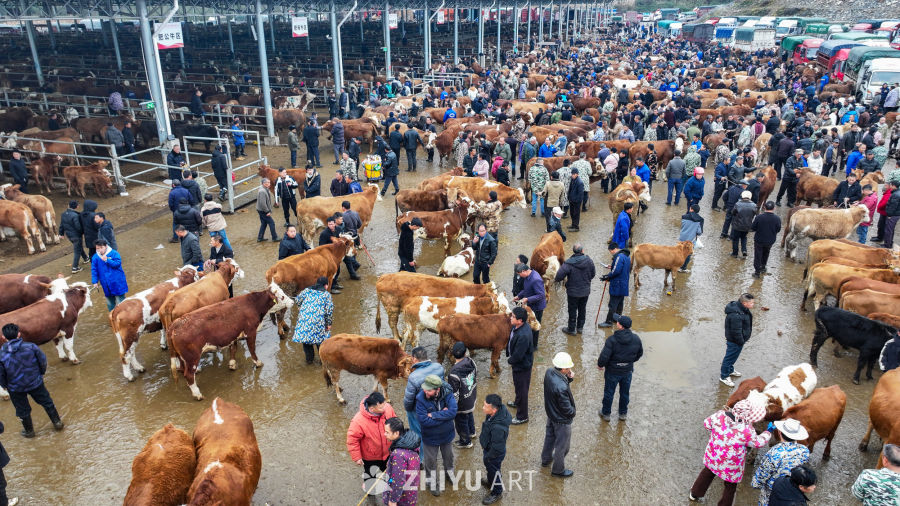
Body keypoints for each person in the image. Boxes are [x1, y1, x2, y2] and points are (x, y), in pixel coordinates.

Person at [689, 399, 772, 504]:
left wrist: (717, 434)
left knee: (707, 473)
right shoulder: (747, 430)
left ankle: (694, 493)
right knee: (730, 487)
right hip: (731, 465)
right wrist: (768, 432)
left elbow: (706, 424)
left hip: (713, 456)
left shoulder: (719, 415)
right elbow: (758, 443)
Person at [0, 323, 65, 438]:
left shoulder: (1, 354)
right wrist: (40, 374)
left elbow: (1, 373)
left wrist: (5, 385)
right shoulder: (31, 347)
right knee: (47, 402)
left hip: (15, 388)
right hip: (35, 382)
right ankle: (57, 423)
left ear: (3, 337)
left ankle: (29, 431)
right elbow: (43, 361)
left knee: (22, 410)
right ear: (19, 334)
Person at [347, 391, 396, 505]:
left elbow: (395, 422)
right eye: (381, 406)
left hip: (388, 451)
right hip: (370, 456)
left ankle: (390, 487)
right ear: (372, 408)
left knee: (390, 471)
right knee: (370, 474)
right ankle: (370, 491)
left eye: (384, 404)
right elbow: (352, 440)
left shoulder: (387, 408)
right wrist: (357, 457)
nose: (385, 407)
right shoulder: (358, 421)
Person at [751, 418, 811, 506]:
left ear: (779, 433)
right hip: (792, 491)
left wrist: (755, 483)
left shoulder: (774, 452)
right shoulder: (804, 450)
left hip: (772, 492)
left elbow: (763, 474)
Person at [416, 374, 458, 497]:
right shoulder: (420, 398)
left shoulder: (448, 393)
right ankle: (432, 482)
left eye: (429, 390)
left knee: (449, 457)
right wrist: (444, 415)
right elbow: (424, 421)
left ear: (438, 389)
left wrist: (434, 415)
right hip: (430, 437)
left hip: (447, 435)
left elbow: (453, 412)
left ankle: (449, 475)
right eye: (425, 389)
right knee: (430, 462)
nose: (426, 392)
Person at [597, 314, 643, 421]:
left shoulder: (612, 340)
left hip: (612, 372)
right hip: (627, 371)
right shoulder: (636, 339)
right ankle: (623, 414)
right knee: (625, 393)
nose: (616, 322)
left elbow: (604, 356)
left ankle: (606, 413)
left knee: (609, 392)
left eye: (618, 321)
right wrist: (629, 362)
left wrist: (600, 365)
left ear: (620, 326)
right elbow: (639, 354)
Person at [541, 351, 576, 478]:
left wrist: (569, 378)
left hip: (551, 414)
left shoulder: (549, 372)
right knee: (563, 446)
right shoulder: (561, 387)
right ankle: (558, 470)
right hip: (561, 420)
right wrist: (572, 413)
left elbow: (556, 389)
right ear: (563, 369)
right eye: (568, 368)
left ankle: (546, 459)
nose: (570, 369)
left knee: (549, 438)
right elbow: (567, 409)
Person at [402, 347, 445, 448]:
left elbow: (408, 400)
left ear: (414, 359)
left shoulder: (414, 376)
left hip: (420, 408)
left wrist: (409, 410)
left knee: (418, 430)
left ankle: (421, 457)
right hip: (436, 403)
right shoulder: (439, 367)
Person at [554, 243, 595, 335]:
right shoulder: (589, 260)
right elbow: (593, 274)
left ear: (573, 251)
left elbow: (559, 277)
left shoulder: (568, 263)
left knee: (572, 310)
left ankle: (571, 329)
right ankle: (580, 328)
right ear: (582, 251)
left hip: (573, 292)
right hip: (585, 291)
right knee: (582, 309)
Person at [292, 276, 333, 364]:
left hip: (304, 321)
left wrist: (302, 308)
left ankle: (309, 361)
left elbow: (297, 301)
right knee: (320, 342)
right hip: (317, 323)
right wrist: (328, 324)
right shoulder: (326, 295)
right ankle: (322, 362)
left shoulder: (306, 291)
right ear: (326, 286)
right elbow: (328, 311)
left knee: (306, 341)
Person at [479, 393, 511, 505]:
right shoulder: (495, 413)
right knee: (491, 470)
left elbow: (497, 448)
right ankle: (490, 481)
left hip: (494, 454)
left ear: (494, 409)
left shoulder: (498, 428)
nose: (483, 408)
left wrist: (488, 457)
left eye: (485, 406)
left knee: (494, 470)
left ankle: (497, 491)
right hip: (490, 449)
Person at [505, 306, 534, 425]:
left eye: (513, 317)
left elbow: (518, 355)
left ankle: (522, 416)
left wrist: (510, 360)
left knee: (522, 390)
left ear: (520, 320)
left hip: (522, 366)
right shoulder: (517, 326)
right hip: (518, 365)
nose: (510, 318)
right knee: (518, 386)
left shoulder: (523, 335)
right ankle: (517, 402)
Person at [382, 417, 420, 506]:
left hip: (403, 496)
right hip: (411, 487)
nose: (384, 434)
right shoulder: (411, 442)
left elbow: (398, 480)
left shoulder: (398, 454)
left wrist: (393, 500)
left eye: (387, 432)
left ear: (396, 433)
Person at [720, 293, 755, 387]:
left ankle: (730, 370)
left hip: (739, 340)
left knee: (733, 357)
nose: (753, 304)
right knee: (729, 358)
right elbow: (736, 331)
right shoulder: (736, 315)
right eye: (751, 303)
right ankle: (724, 376)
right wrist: (741, 341)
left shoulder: (743, 309)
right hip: (735, 341)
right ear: (744, 303)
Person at [448, 342, 477, 449]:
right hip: (471, 396)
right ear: (465, 353)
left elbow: (454, 393)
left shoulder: (453, 373)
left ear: (452, 354)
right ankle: (472, 432)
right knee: (469, 415)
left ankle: (465, 441)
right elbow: (475, 374)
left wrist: (452, 407)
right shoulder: (471, 362)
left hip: (462, 404)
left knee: (461, 421)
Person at [599, 241, 631, 328]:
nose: (611, 253)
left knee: (613, 304)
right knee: (620, 303)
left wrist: (607, 276)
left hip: (617, 284)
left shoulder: (618, 257)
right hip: (624, 284)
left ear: (614, 249)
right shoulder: (626, 257)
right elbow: (622, 269)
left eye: (610, 251)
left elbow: (616, 271)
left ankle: (608, 322)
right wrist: (612, 266)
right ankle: (617, 319)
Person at [514, 264, 546, 348]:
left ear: (524, 271)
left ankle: (534, 346)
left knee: (534, 326)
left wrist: (527, 299)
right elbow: (526, 289)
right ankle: (529, 342)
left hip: (537, 307)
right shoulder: (528, 277)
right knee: (529, 325)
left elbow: (541, 295)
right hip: (531, 305)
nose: (519, 276)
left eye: (519, 274)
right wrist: (519, 296)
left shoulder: (535, 279)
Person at [91, 238, 127, 311]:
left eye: (101, 247)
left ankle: (124, 316)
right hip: (106, 284)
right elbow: (94, 270)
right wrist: (95, 281)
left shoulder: (114, 253)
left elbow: (117, 264)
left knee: (121, 301)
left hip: (117, 282)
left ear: (106, 246)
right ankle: (112, 316)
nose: (100, 250)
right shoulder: (95, 257)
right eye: (97, 248)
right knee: (110, 303)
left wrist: (107, 260)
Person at [751, 201, 782, 278]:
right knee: (766, 253)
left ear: (764, 207)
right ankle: (763, 267)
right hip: (770, 240)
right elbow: (778, 229)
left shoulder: (759, 217)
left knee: (758, 255)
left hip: (759, 240)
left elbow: (753, 228)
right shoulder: (777, 219)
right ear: (774, 208)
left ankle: (757, 272)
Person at [59, 200, 88, 274]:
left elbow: (61, 225)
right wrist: (83, 232)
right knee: (77, 250)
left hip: (69, 235)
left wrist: (61, 233)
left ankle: (86, 258)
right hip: (76, 235)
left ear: (68, 206)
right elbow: (78, 227)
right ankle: (75, 267)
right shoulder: (75, 215)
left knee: (78, 247)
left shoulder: (63, 214)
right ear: (77, 207)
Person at [730, 191, 756, 258]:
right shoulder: (754, 205)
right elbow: (756, 214)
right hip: (747, 226)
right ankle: (744, 250)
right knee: (744, 238)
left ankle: (735, 253)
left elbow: (733, 212)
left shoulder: (738, 204)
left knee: (735, 239)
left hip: (737, 226)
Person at [679, 204, 704, 272]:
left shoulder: (684, 217)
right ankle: (683, 268)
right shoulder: (700, 220)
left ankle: (677, 265)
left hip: (682, 238)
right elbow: (699, 232)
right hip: (691, 240)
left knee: (680, 251)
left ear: (691, 209)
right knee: (688, 254)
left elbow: (682, 226)